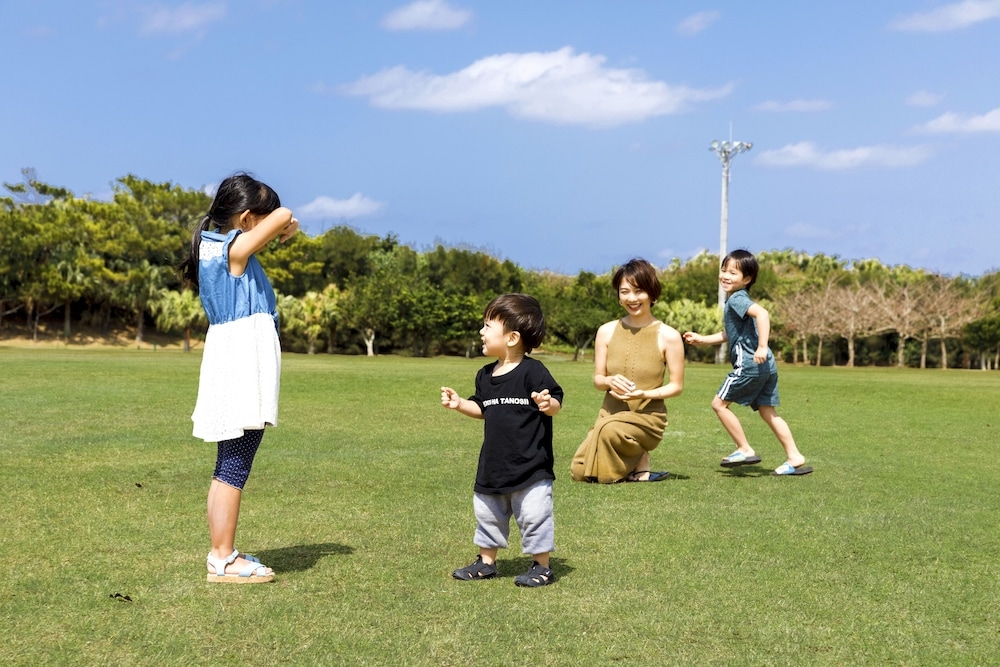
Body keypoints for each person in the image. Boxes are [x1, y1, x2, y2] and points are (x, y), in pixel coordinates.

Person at [180, 173, 299, 583]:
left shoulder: (217, 248)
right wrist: (287, 220)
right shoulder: (233, 249)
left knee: (228, 462)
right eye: (264, 220)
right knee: (235, 464)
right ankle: (223, 559)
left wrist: (279, 222)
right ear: (247, 219)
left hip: (233, 357)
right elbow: (282, 214)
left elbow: (272, 218)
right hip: (242, 360)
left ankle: (220, 552)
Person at [441, 293, 564, 587]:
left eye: (487, 326)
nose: (481, 332)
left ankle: (541, 566)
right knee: (488, 515)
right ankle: (486, 562)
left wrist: (548, 404)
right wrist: (460, 404)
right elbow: (481, 408)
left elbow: (555, 400)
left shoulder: (533, 371)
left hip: (531, 466)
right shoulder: (485, 375)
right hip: (493, 466)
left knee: (534, 516)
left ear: (511, 338)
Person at [683, 249, 812, 476]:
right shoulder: (737, 301)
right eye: (724, 270)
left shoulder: (737, 299)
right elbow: (730, 333)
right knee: (767, 411)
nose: (725, 276)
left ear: (747, 279)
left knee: (719, 404)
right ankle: (794, 456)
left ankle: (744, 448)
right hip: (767, 365)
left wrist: (762, 346)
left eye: (733, 272)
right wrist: (702, 339)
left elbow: (762, 314)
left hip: (750, 363)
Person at [571, 258, 685, 484]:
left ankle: (641, 455)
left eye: (639, 291)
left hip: (647, 418)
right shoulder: (606, 331)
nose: (632, 298)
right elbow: (598, 379)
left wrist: (642, 394)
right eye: (625, 292)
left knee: (609, 434)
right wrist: (609, 380)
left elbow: (676, 386)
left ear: (652, 294)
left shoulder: (669, 336)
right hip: (609, 414)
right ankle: (635, 460)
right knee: (579, 471)